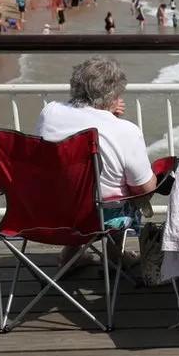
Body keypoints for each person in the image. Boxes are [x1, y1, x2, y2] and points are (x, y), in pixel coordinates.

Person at [35, 57, 157, 267]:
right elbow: (143, 188)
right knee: (127, 190)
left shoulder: (49, 112)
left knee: (73, 186)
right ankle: (113, 255)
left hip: (45, 213)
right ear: (113, 96)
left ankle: (70, 257)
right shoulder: (125, 131)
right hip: (97, 220)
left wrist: (107, 113)